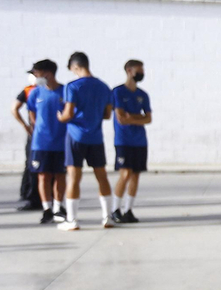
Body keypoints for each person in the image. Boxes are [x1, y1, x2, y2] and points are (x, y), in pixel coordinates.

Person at [55, 51, 115, 231]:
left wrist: (60, 116)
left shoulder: (72, 87)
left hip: (76, 135)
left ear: (76, 67)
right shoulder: (104, 87)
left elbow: (68, 114)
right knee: (101, 176)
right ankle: (107, 217)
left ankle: (72, 220)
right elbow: (107, 114)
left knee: (74, 176)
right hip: (95, 136)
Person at [24, 60, 67, 224]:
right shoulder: (36, 92)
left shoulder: (64, 91)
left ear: (48, 73)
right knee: (43, 176)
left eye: (37, 73)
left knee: (60, 175)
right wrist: (36, 128)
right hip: (41, 143)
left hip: (61, 142)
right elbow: (32, 113)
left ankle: (58, 207)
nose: (35, 76)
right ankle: (47, 208)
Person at [110, 59, 152, 223]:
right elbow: (121, 118)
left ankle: (129, 210)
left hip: (140, 141)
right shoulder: (118, 92)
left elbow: (148, 118)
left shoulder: (143, 95)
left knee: (135, 175)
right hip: (123, 140)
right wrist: (138, 118)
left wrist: (132, 117)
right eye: (138, 70)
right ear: (129, 71)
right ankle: (115, 209)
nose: (141, 74)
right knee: (125, 173)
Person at [11, 70, 43, 211]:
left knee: (36, 164)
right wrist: (25, 125)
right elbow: (14, 108)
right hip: (36, 133)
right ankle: (30, 195)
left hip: (41, 133)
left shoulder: (44, 90)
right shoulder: (28, 91)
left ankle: (36, 196)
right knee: (32, 164)